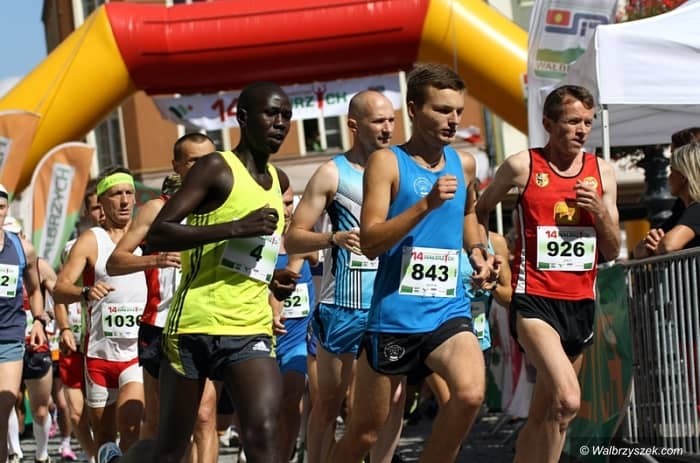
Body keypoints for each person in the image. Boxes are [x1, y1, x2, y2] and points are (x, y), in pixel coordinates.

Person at [101, 81, 297, 463]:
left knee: (264, 433)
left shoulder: (278, 182)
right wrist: (236, 227)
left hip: (248, 327)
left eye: (286, 116)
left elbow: (251, 253)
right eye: (271, 113)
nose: (280, 123)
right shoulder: (216, 168)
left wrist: (272, 278)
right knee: (169, 450)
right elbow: (160, 232)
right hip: (193, 326)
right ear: (243, 117)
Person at [330, 63, 496, 462]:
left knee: (470, 394)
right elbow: (370, 241)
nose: (453, 119)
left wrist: (478, 251)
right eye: (441, 110)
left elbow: (468, 215)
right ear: (413, 109)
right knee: (365, 434)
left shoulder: (464, 163)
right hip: (395, 318)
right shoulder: (387, 162)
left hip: (448, 310)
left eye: (457, 111)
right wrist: (426, 204)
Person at [475, 84, 621, 463]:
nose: (581, 130)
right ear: (548, 124)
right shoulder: (522, 166)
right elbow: (480, 208)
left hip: (580, 303)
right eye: (572, 121)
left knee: (548, 415)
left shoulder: (602, 173)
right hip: (535, 301)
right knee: (568, 399)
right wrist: (483, 252)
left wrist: (599, 212)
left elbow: (611, 250)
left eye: (587, 122)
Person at [284, 89, 404, 463]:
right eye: (378, 121)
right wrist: (332, 238)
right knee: (330, 401)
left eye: (391, 120)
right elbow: (293, 237)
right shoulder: (332, 173)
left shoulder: (403, 167)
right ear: (354, 125)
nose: (388, 128)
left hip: (391, 302)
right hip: (343, 305)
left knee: (394, 400)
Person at [105, 134, 220, 463]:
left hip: (205, 322)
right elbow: (116, 262)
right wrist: (154, 259)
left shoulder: (224, 207)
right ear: (177, 166)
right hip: (160, 326)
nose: (203, 167)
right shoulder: (156, 209)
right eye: (193, 161)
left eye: (209, 159)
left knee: (204, 416)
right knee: (157, 421)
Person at [55, 167, 147, 453]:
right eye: (116, 194)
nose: (124, 200)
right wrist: (84, 292)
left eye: (129, 193)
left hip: (136, 354)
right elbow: (59, 289)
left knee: (130, 427)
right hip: (99, 355)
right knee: (104, 438)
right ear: (102, 202)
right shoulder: (91, 240)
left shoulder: (147, 237)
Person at [54, 180, 103, 461]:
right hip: (76, 339)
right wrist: (63, 328)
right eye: (95, 208)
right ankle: (95, 455)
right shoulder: (72, 247)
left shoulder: (130, 245)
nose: (101, 213)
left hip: (111, 341)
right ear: (87, 212)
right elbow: (59, 293)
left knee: (110, 411)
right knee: (75, 412)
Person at [269, 176, 318, 461]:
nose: (286, 210)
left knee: (291, 401)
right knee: (265, 410)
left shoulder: (303, 238)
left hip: (297, 338)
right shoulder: (256, 242)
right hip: (260, 340)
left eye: (289, 203)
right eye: (280, 203)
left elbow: (322, 264)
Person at [0, 184, 47, 463]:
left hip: (10, 335)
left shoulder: (22, 248)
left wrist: (39, 320)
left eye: (0, 207)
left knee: (3, 408)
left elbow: (36, 288)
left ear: (6, 209)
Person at [633, 128, 700, 258]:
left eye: (672, 170)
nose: (668, 177)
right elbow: (638, 250)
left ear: (683, 176)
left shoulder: (697, 208)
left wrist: (658, 246)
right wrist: (652, 245)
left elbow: (668, 245)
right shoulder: (682, 208)